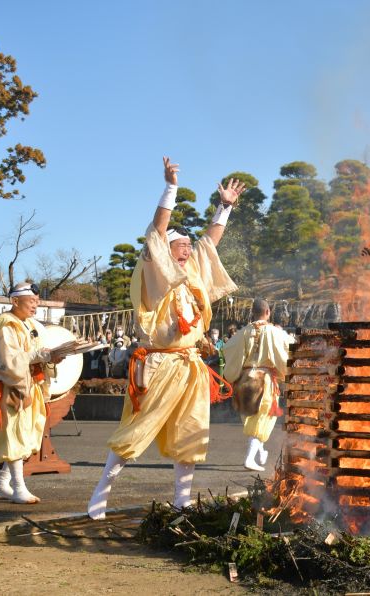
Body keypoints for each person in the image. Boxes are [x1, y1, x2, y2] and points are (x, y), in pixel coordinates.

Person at [87, 156, 242, 520]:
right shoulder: (154, 270)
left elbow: (209, 244)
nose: (187, 248)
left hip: (190, 366)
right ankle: (100, 493)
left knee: (190, 435)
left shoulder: (193, 274)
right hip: (158, 363)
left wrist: (224, 209)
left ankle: (182, 501)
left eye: (188, 245)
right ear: (164, 251)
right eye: (180, 245)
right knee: (135, 432)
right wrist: (171, 187)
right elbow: (158, 231)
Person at [0, 282, 61, 503]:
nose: (35, 305)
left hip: (30, 385)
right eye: (32, 301)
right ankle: (18, 487)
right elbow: (8, 361)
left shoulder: (28, 324)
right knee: (14, 435)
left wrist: (51, 357)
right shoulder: (6, 325)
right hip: (11, 387)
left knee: (26, 435)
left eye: (37, 301)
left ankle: (1, 484)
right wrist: (40, 356)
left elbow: (35, 355)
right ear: (15, 301)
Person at [223, 299, 293, 472]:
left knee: (255, 420)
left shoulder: (244, 332)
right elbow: (291, 345)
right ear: (268, 312)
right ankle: (249, 459)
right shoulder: (274, 332)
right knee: (262, 419)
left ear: (252, 313)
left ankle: (261, 452)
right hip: (263, 379)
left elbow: (227, 347)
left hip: (245, 379)